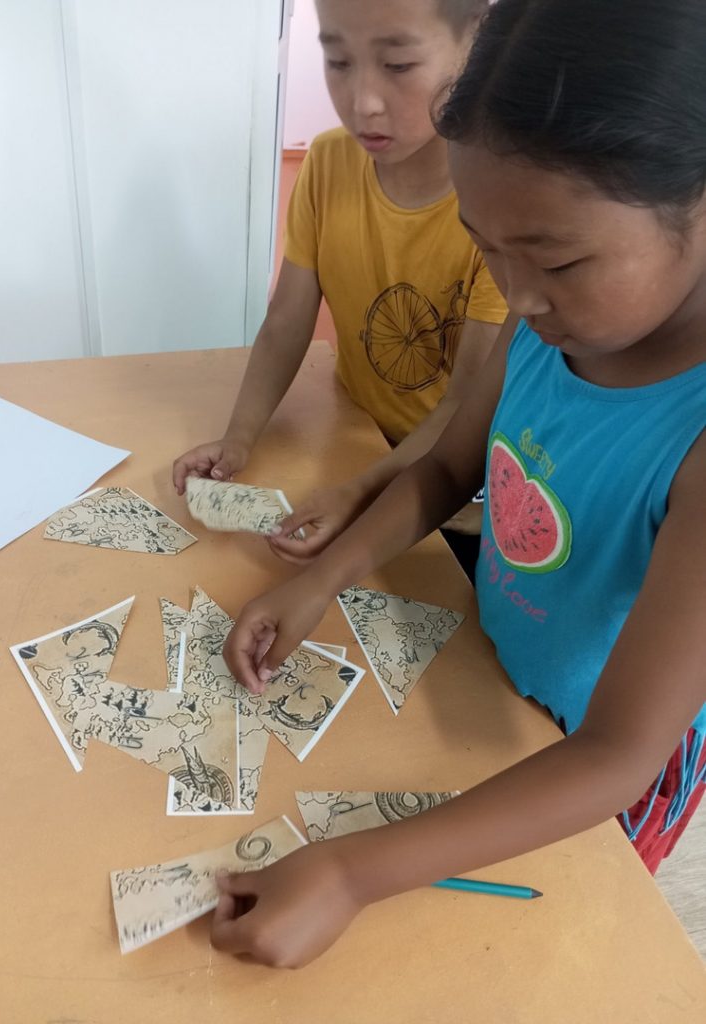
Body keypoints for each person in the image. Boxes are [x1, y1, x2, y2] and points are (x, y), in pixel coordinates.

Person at [209, 0, 706, 968]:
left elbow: (616, 756)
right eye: (486, 247)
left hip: (596, 765)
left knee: (548, 950)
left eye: (556, 259)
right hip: (491, 684)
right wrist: (324, 578)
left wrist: (350, 873)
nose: (516, 295)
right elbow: (446, 465)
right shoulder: (546, 310)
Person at [173, 0, 507, 579]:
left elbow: (463, 408)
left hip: (453, 481)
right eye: (339, 62)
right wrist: (239, 438)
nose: (363, 102)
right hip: (356, 436)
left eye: (398, 65)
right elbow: (286, 321)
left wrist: (363, 491)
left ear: (475, 39)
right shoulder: (328, 161)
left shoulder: (497, 201)